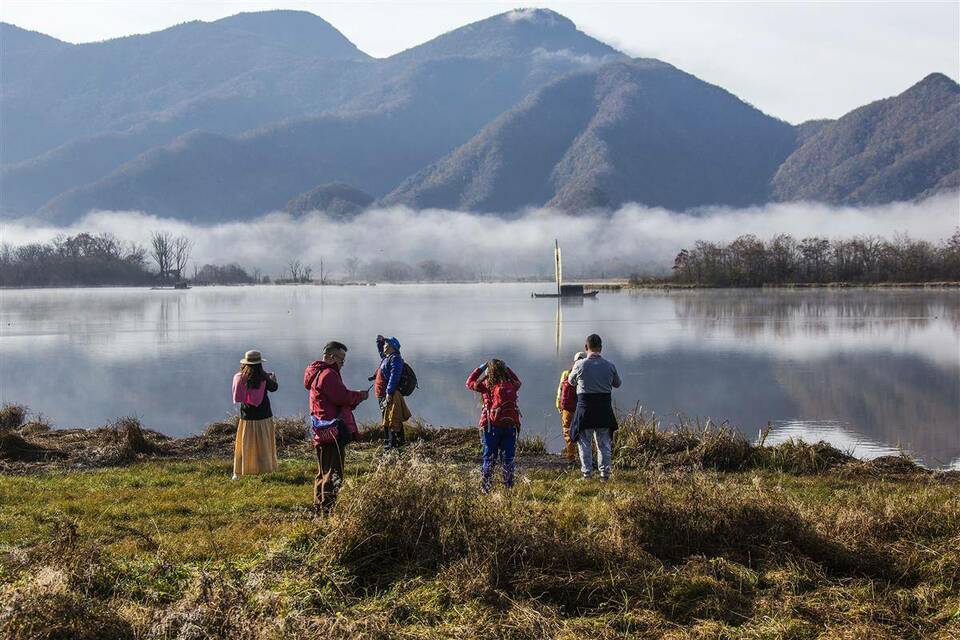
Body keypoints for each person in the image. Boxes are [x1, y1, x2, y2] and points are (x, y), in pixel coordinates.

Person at [304, 341, 370, 515]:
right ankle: (327, 511)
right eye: (341, 359)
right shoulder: (329, 375)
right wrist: (359, 396)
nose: (343, 363)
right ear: (332, 357)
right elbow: (341, 397)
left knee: (323, 471)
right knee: (333, 473)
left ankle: (320, 509)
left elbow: (334, 399)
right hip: (332, 429)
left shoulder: (318, 372)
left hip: (321, 430)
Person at [568, 334, 621, 481]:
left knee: (584, 442)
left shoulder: (579, 365)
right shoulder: (610, 365)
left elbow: (571, 382)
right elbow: (617, 383)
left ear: (586, 348)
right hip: (604, 409)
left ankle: (587, 475)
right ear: (601, 348)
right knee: (603, 443)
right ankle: (604, 475)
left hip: (585, 409)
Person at [466, 359, 522, 492]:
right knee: (508, 459)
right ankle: (508, 487)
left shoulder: (485, 384)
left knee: (489, 458)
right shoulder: (512, 384)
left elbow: (469, 383)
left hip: (491, 427)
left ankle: (486, 488)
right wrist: (507, 367)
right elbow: (518, 381)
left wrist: (481, 368)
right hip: (510, 426)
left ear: (489, 373)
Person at [231, 350, 279, 478]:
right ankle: (265, 469)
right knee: (264, 445)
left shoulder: (239, 378)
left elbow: (238, 396)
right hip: (263, 416)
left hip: (246, 417)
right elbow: (274, 388)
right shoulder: (264, 378)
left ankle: (239, 472)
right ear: (260, 364)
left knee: (244, 444)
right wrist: (273, 379)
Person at [375, 335, 412, 450]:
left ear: (392, 347)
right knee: (388, 419)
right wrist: (379, 341)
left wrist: (389, 392)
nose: (384, 346)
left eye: (386, 344)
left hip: (388, 395)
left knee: (391, 420)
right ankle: (395, 446)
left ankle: (392, 447)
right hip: (382, 395)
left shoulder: (395, 358)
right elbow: (381, 351)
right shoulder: (387, 357)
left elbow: (394, 376)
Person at [556, 351, 586, 462]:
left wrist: (559, 404)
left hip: (567, 408)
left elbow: (560, 390)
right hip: (581, 407)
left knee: (567, 431)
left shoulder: (566, 373)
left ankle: (571, 457)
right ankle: (584, 457)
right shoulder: (586, 372)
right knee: (583, 431)